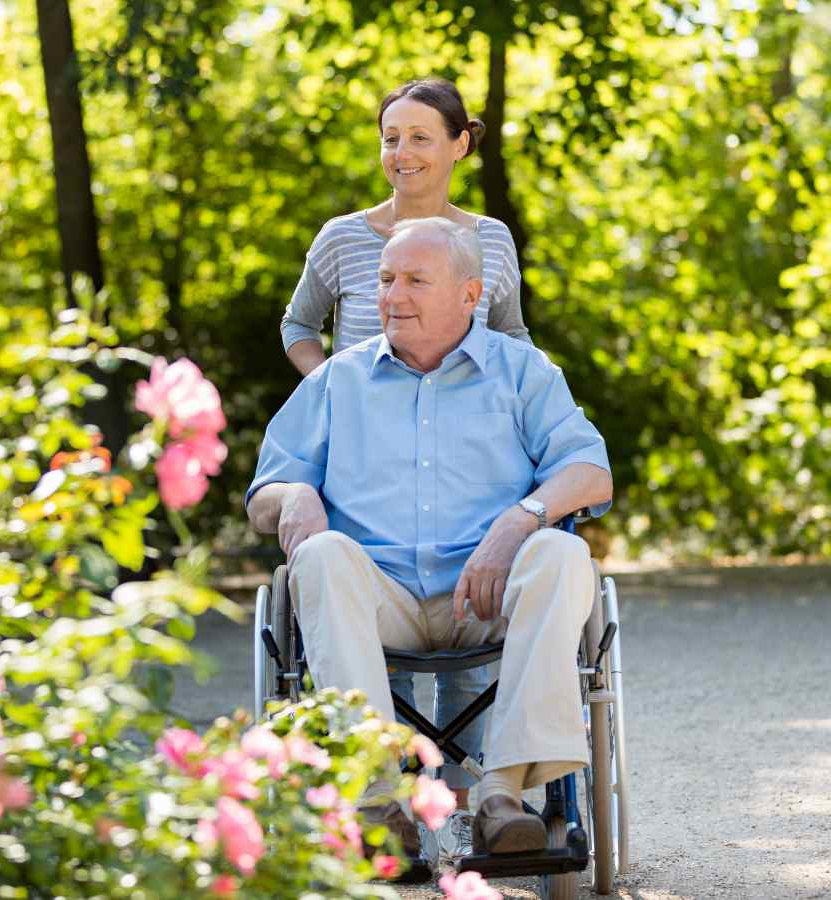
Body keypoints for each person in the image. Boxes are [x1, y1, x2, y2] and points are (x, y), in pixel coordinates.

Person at [248, 218, 612, 861]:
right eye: (387, 279)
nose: (393, 295)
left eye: (416, 280)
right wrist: (295, 494)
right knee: (323, 555)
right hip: (378, 597)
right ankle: (379, 800)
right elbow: (264, 494)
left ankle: (501, 797)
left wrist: (519, 519)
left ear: (470, 295)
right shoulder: (338, 380)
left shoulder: (522, 372)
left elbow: (589, 471)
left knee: (563, 551)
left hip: (487, 595)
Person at [279, 76, 527, 864]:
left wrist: (525, 414)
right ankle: (385, 790)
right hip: (368, 466)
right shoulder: (345, 238)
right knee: (365, 597)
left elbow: (514, 336)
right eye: (391, 137)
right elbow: (296, 324)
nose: (402, 153)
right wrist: (330, 395)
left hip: (467, 461)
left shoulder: (488, 239)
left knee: (466, 646)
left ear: (460, 144)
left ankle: (470, 800)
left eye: (421, 136)